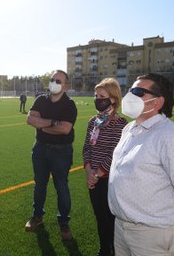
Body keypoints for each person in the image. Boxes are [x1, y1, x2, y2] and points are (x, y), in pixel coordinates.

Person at [108, 73, 174, 256]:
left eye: (138, 91)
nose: (130, 96)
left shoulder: (172, 137)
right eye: (130, 90)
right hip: (121, 226)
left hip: (153, 233)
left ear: (157, 102)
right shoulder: (129, 129)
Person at [25, 70, 77, 240]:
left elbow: (65, 129)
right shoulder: (41, 99)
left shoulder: (69, 104)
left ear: (65, 86)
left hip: (61, 151)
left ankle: (63, 222)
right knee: (39, 184)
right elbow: (30, 120)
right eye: (52, 80)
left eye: (58, 81)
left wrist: (42, 125)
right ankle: (37, 216)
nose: (54, 83)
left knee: (61, 186)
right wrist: (53, 123)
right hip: (40, 148)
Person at [82, 78, 127, 256]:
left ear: (113, 99)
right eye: (96, 95)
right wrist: (89, 172)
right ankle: (104, 250)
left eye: (102, 96)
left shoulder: (121, 124)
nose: (97, 99)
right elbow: (87, 147)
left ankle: (117, 250)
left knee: (112, 220)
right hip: (94, 179)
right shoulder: (93, 121)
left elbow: (116, 152)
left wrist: (99, 172)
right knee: (100, 218)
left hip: (110, 181)